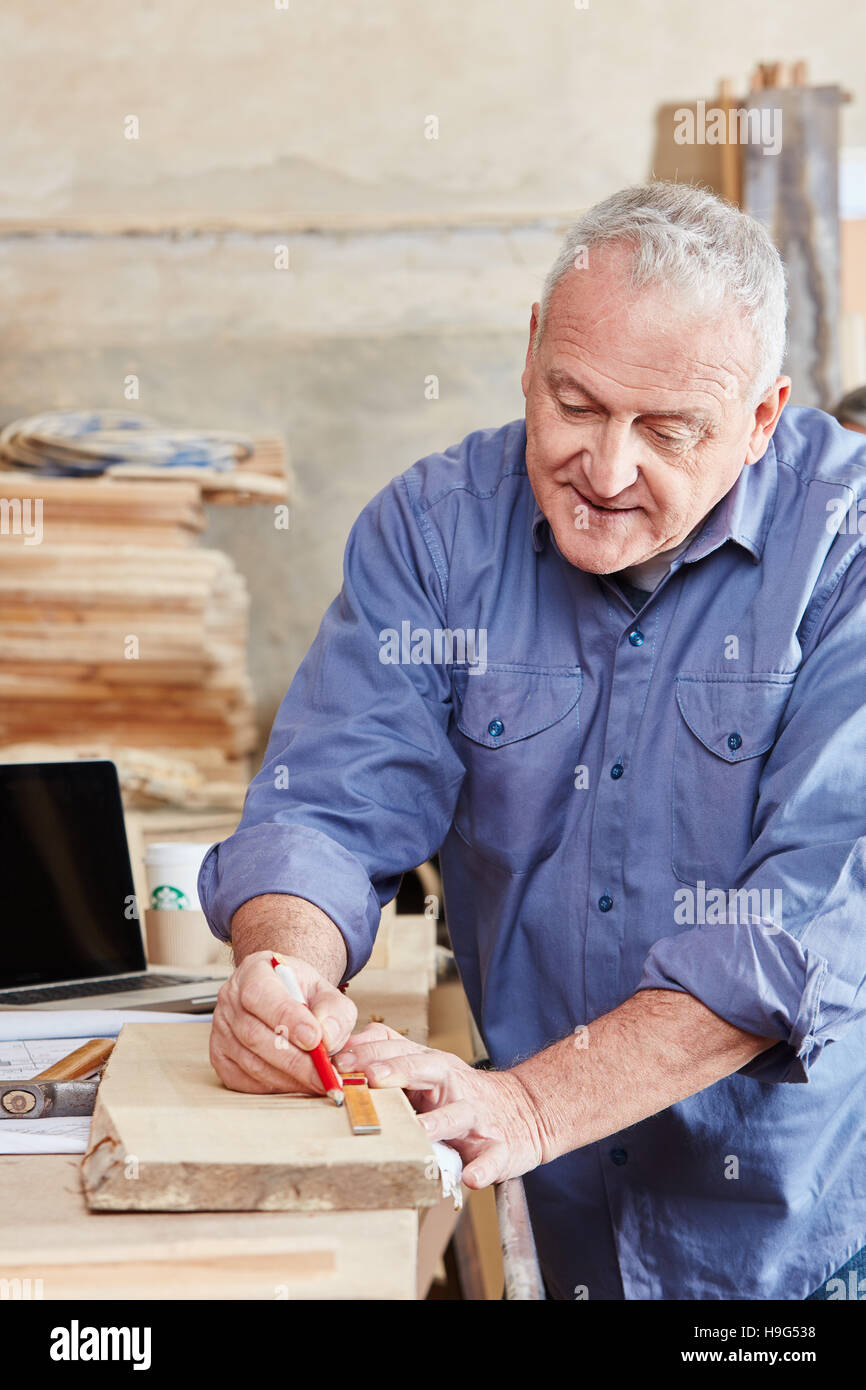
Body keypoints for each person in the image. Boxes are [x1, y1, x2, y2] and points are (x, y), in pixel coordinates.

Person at [199, 182, 866, 1299]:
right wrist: (283, 970)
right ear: (529, 353)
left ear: (759, 419)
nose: (604, 473)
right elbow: (325, 803)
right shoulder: (433, 529)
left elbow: (806, 919)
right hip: (554, 1227)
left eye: (665, 431)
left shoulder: (844, 553)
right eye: (575, 405)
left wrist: (536, 1101)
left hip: (797, 1254)